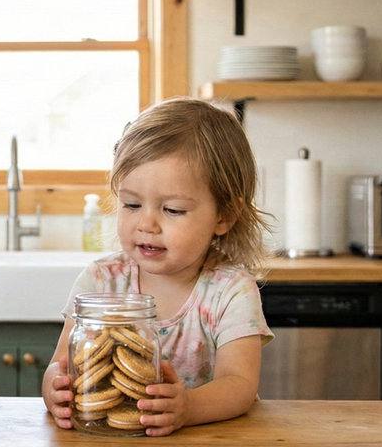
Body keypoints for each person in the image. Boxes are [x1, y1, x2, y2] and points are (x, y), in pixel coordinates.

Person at [40, 98, 275, 437]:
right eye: (131, 204)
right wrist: (53, 388)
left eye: (173, 210)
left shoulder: (230, 291)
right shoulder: (100, 281)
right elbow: (60, 365)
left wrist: (189, 407)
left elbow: (239, 384)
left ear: (224, 215)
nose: (146, 224)